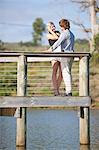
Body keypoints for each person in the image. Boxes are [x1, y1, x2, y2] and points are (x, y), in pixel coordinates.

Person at [48, 19, 75, 96]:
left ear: (63, 26)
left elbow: (58, 42)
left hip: (65, 55)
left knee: (66, 73)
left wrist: (50, 49)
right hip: (71, 55)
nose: (60, 28)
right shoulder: (72, 34)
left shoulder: (64, 33)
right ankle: (68, 90)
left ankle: (68, 91)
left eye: (60, 26)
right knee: (68, 72)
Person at [47, 22, 62, 96]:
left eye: (53, 26)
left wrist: (53, 31)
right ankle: (56, 91)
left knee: (61, 73)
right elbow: (56, 38)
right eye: (50, 26)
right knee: (54, 72)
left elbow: (59, 39)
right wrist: (50, 31)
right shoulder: (48, 35)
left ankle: (57, 89)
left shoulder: (58, 33)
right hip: (54, 54)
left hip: (61, 54)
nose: (53, 27)